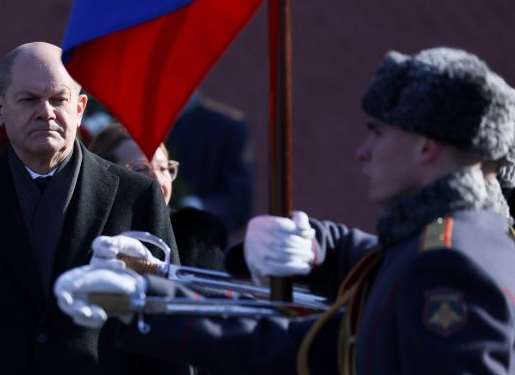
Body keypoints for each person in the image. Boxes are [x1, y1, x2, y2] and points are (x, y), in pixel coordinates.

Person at [55, 47, 515, 374]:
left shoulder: (449, 262)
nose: (363, 151)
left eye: (378, 132)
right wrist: (148, 301)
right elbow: (311, 342)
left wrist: (147, 303)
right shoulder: (442, 240)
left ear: (426, 147)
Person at [0, 41, 183, 375]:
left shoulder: (134, 196)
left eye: (59, 99)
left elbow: (168, 324)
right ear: (0, 110)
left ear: (80, 108)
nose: (45, 112)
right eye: (29, 99)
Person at [89, 123, 227, 270]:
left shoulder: (197, 235)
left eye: (163, 168)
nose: (158, 180)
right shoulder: (89, 230)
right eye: (140, 169)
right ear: (106, 178)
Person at [166, 91, 254, 235]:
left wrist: (196, 206)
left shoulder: (226, 126)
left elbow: (239, 202)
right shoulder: (127, 122)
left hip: (199, 240)